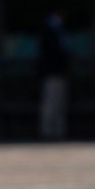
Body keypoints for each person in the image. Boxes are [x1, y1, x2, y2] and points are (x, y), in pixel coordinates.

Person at [37, 9, 70, 140]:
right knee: (50, 102)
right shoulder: (48, 30)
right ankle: (48, 131)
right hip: (52, 71)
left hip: (59, 71)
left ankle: (57, 131)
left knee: (59, 102)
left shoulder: (58, 29)